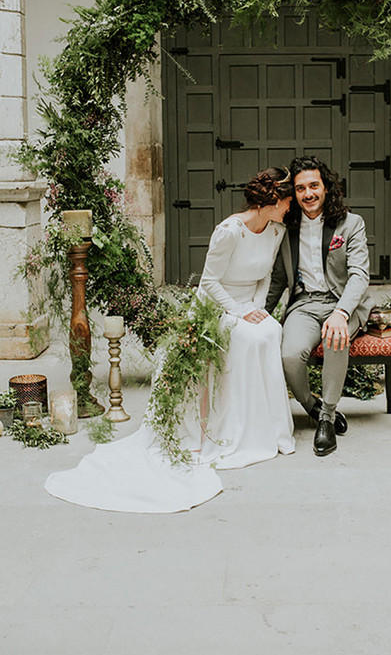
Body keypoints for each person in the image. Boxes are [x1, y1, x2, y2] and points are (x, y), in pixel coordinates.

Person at [45, 167, 296, 513]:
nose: (289, 209)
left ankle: (265, 431)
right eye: (286, 202)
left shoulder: (276, 231)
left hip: (249, 304)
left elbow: (265, 277)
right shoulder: (229, 231)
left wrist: (257, 309)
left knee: (271, 331)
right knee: (247, 338)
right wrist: (237, 312)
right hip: (218, 306)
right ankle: (231, 431)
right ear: (271, 201)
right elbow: (209, 282)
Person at [265, 156, 373, 457]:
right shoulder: (287, 227)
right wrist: (259, 312)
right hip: (305, 303)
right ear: (295, 194)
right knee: (289, 355)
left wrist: (341, 313)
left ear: (326, 187)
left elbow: (359, 274)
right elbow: (277, 279)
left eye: (314, 185)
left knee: (334, 337)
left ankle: (326, 418)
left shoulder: (351, 224)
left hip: (343, 302)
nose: (308, 193)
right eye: (301, 189)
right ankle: (312, 406)